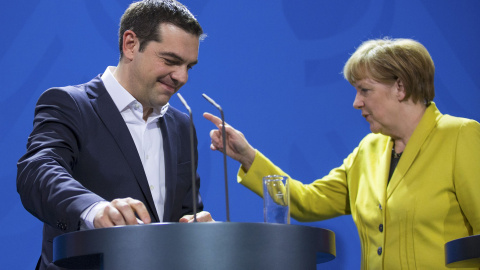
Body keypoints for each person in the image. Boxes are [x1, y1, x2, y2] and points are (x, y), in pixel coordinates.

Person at [204, 38, 480, 269]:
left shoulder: (460, 136)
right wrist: (248, 157)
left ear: (400, 86)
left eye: (365, 90)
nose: (356, 102)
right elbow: (307, 202)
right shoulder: (368, 150)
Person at [17, 1, 213, 269]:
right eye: (171, 61)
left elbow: (185, 215)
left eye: (189, 66)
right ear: (130, 44)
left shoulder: (181, 126)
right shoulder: (69, 104)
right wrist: (95, 210)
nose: (182, 77)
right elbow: (38, 170)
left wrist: (198, 229)